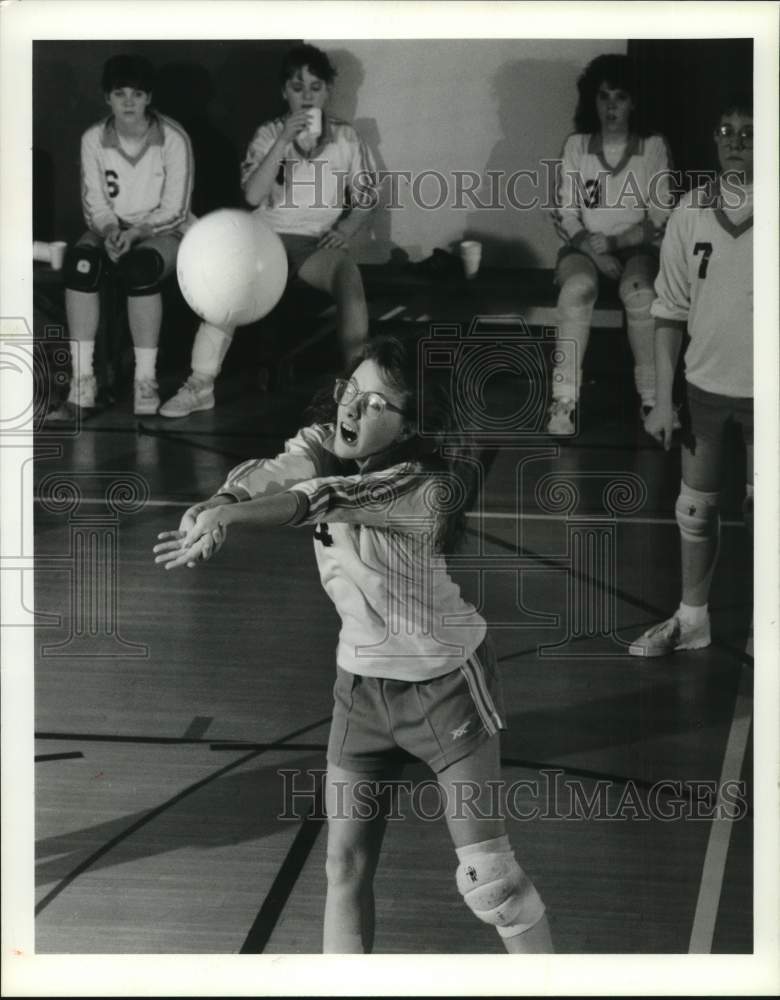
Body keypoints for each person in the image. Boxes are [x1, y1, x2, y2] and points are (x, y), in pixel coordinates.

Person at [153, 335, 553, 954]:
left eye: (375, 405)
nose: (352, 410)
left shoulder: (419, 482)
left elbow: (320, 498)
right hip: (361, 687)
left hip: (444, 682)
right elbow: (278, 471)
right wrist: (218, 503)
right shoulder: (329, 444)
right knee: (343, 868)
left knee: (491, 883)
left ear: (409, 425)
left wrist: (227, 520)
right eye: (351, 392)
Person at [160, 44, 377, 419]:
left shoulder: (346, 137)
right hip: (263, 241)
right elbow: (252, 194)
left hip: (313, 246)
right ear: (284, 92)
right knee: (226, 285)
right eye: (297, 87)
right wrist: (282, 141)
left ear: (327, 91)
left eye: (315, 87)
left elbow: (366, 196)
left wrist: (347, 228)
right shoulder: (268, 133)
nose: (306, 95)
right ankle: (200, 384)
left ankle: (355, 387)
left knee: (348, 276)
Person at [630, 93, 753, 657]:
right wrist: (659, 399)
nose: (736, 141)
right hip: (706, 388)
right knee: (695, 509)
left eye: (749, 131)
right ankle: (692, 618)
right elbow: (669, 310)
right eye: (726, 130)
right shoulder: (692, 209)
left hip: (768, 395)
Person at [547, 53, 674, 435]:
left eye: (620, 96)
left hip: (635, 248)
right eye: (603, 97)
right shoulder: (577, 145)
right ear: (593, 101)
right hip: (586, 251)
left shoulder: (651, 147)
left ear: (633, 101)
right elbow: (564, 212)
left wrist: (617, 241)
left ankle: (653, 401)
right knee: (576, 290)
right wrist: (595, 252)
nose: (611, 106)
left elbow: (662, 213)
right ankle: (564, 399)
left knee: (640, 293)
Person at [64, 54, 194, 415]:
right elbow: (95, 204)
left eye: (137, 94)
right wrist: (109, 231)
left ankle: (145, 381)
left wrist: (135, 233)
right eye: (120, 94)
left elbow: (176, 208)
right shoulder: (94, 138)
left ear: (149, 98)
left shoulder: (172, 137)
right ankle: (82, 382)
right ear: (107, 98)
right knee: (81, 265)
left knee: (140, 269)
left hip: (162, 230)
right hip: (111, 229)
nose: (128, 103)